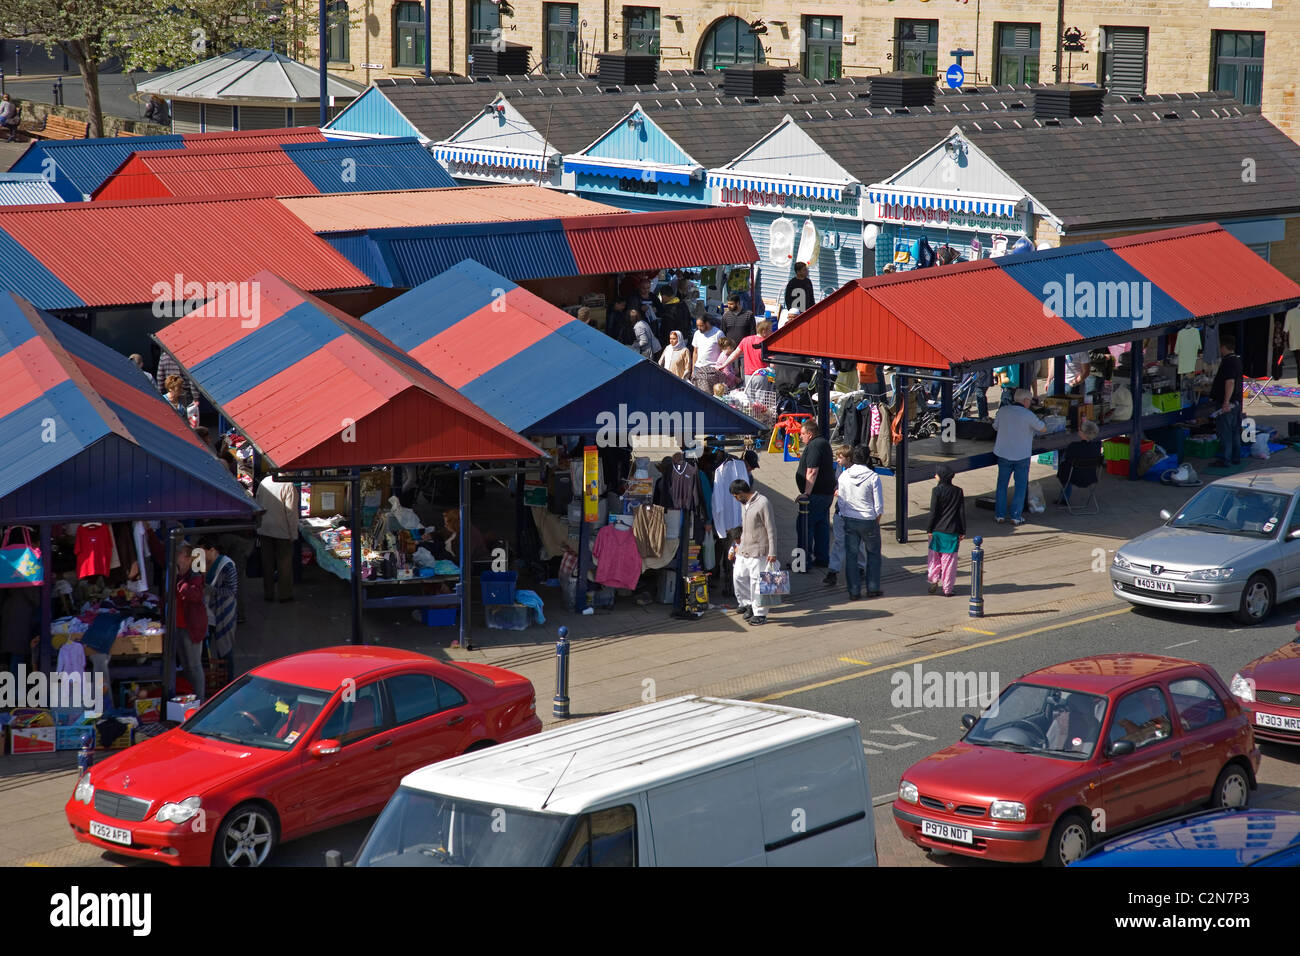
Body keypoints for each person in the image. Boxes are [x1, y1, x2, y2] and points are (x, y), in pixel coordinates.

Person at [836, 444, 884, 599]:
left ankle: (854, 591)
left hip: (850, 519)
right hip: (869, 519)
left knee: (851, 555)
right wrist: (876, 518)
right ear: (867, 458)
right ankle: (873, 588)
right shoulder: (873, 477)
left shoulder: (843, 476)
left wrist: (844, 515)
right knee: (873, 554)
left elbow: (841, 502)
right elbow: (878, 504)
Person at [993, 387, 1046, 526]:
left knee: (1002, 485)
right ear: (1026, 400)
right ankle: (1016, 516)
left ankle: (999, 515)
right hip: (1021, 455)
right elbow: (1043, 428)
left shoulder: (1003, 411)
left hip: (1003, 453)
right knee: (1020, 486)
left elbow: (995, 426)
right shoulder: (1028, 414)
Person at [729, 478, 778, 627]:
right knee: (738, 576)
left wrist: (773, 551)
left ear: (741, 493)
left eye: (736, 496)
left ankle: (760, 614)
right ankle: (747, 603)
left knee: (758, 582)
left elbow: (771, 528)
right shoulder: (744, 504)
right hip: (744, 549)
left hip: (759, 551)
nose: (736, 500)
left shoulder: (763, 503)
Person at [795, 420, 836, 567]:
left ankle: (802, 562)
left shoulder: (814, 446)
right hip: (825, 494)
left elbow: (812, 470)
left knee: (805, 525)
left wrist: (806, 493)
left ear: (810, 434)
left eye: (802, 434)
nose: (801, 437)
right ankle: (822, 558)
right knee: (821, 526)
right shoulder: (822, 443)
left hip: (816, 495)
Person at [255, 471, 299, 602]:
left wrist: (257, 525)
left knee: (267, 562)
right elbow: (291, 512)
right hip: (282, 530)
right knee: (284, 563)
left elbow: (257, 503)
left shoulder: (264, 482)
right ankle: (285, 594)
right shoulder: (288, 485)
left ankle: (268, 593)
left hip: (264, 528)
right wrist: (293, 533)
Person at [199, 536, 238, 680]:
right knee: (205, 650)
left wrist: (209, 590)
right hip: (206, 613)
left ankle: (228, 683)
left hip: (223, 612)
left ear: (212, 550)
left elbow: (232, 591)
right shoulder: (200, 564)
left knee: (225, 650)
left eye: (203, 552)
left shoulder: (227, 565)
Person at [926, 464, 966, 596]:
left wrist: (929, 529)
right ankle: (948, 589)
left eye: (936, 474)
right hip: (952, 531)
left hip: (937, 531)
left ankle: (933, 579)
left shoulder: (936, 491)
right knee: (949, 562)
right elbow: (961, 512)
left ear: (941, 476)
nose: (935, 476)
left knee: (934, 558)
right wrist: (962, 531)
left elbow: (933, 512)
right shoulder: (958, 491)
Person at [174, 546, 207, 699]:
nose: (176, 556)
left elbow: (195, 595)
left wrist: (180, 584)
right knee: (186, 667)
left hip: (191, 627)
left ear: (187, 558)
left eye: (180, 553)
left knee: (194, 666)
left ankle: (200, 702)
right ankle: (191, 698)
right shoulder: (177, 574)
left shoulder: (195, 575)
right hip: (179, 626)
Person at [1210, 334, 1244, 467]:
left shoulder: (1229, 362)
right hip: (1236, 402)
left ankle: (1226, 459)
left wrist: (1225, 402)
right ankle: (1236, 457)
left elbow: (1229, 382)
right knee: (1235, 431)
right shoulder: (1237, 359)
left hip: (1229, 403)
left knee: (1226, 432)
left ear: (1223, 347)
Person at [1056, 419, 1102, 505]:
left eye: (1080, 429)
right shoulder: (1097, 445)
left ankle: (1064, 498)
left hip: (1074, 477)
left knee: (1063, 462)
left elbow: (1066, 460)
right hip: (1091, 476)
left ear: (1084, 433)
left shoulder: (1074, 446)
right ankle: (1063, 498)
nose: (1078, 430)